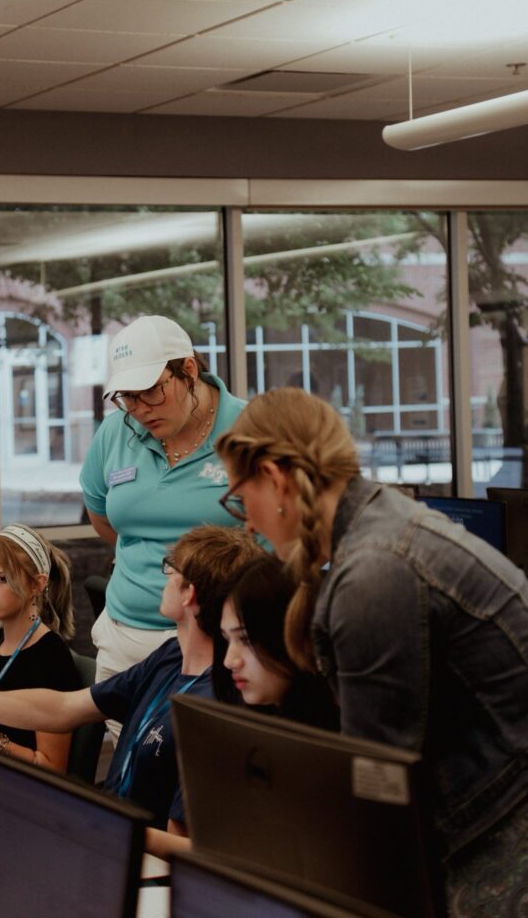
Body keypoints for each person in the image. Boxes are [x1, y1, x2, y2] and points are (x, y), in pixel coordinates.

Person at [216, 387, 528, 917]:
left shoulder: (374, 572)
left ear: (274, 478)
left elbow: (378, 786)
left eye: (240, 499)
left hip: (505, 831)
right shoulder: (378, 525)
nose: (245, 522)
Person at [0, 524, 265, 858]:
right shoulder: (170, 656)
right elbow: (63, 709)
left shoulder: (216, 700)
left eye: (170, 569)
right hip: (108, 838)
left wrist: (96, 826)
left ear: (189, 593)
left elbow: (187, 843)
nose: (163, 577)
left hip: (134, 858)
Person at [80, 315, 246, 695]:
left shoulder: (248, 428)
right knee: (127, 750)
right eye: (127, 396)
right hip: (123, 638)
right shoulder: (116, 431)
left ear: (188, 370)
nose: (139, 409)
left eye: (151, 391)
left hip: (216, 644)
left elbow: (274, 542)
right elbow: (104, 520)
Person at [0, 523, 80, 772]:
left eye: (1, 579)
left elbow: (51, 768)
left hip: (23, 794)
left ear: (37, 584)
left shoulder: (50, 657)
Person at [214, 554, 338, 729]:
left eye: (246, 639)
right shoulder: (256, 720)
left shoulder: (342, 734)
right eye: (227, 640)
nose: (229, 662)